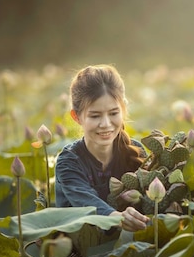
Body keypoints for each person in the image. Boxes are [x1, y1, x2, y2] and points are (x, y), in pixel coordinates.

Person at [55, 64, 149, 232]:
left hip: (131, 250)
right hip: (78, 253)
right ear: (76, 117)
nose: (106, 124)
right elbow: (87, 203)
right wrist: (119, 217)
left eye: (113, 113)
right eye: (95, 116)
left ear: (123, 110)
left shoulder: (137, 151)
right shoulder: (68, 162)